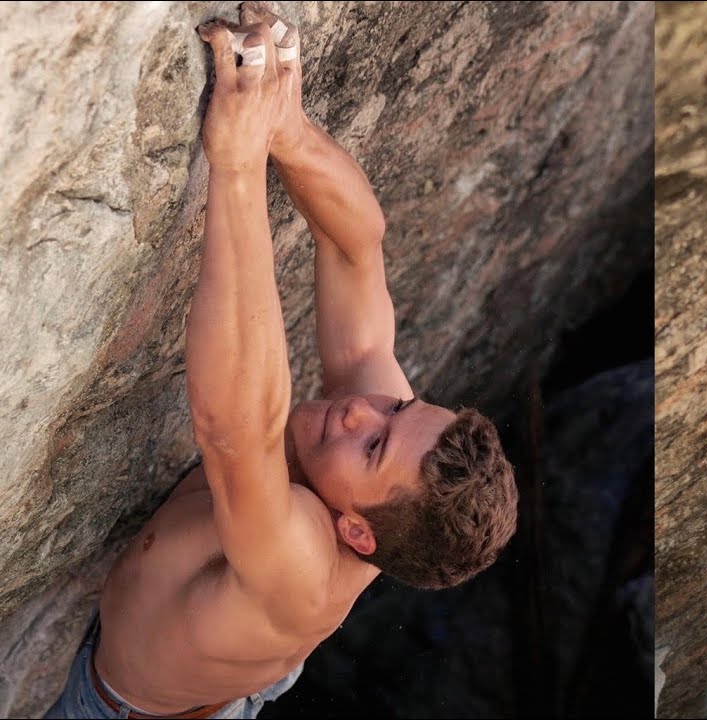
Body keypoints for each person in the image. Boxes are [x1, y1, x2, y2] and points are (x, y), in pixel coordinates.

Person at [44, 3, 518, 717]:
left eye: (375, 443)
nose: (363, 408)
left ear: (356, 533)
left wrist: (236, 166)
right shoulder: (381, 453)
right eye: (399, 408)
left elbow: (236, 430)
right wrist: (287, 131)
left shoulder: (304, 564)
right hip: (225, 616)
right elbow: (357, 245)